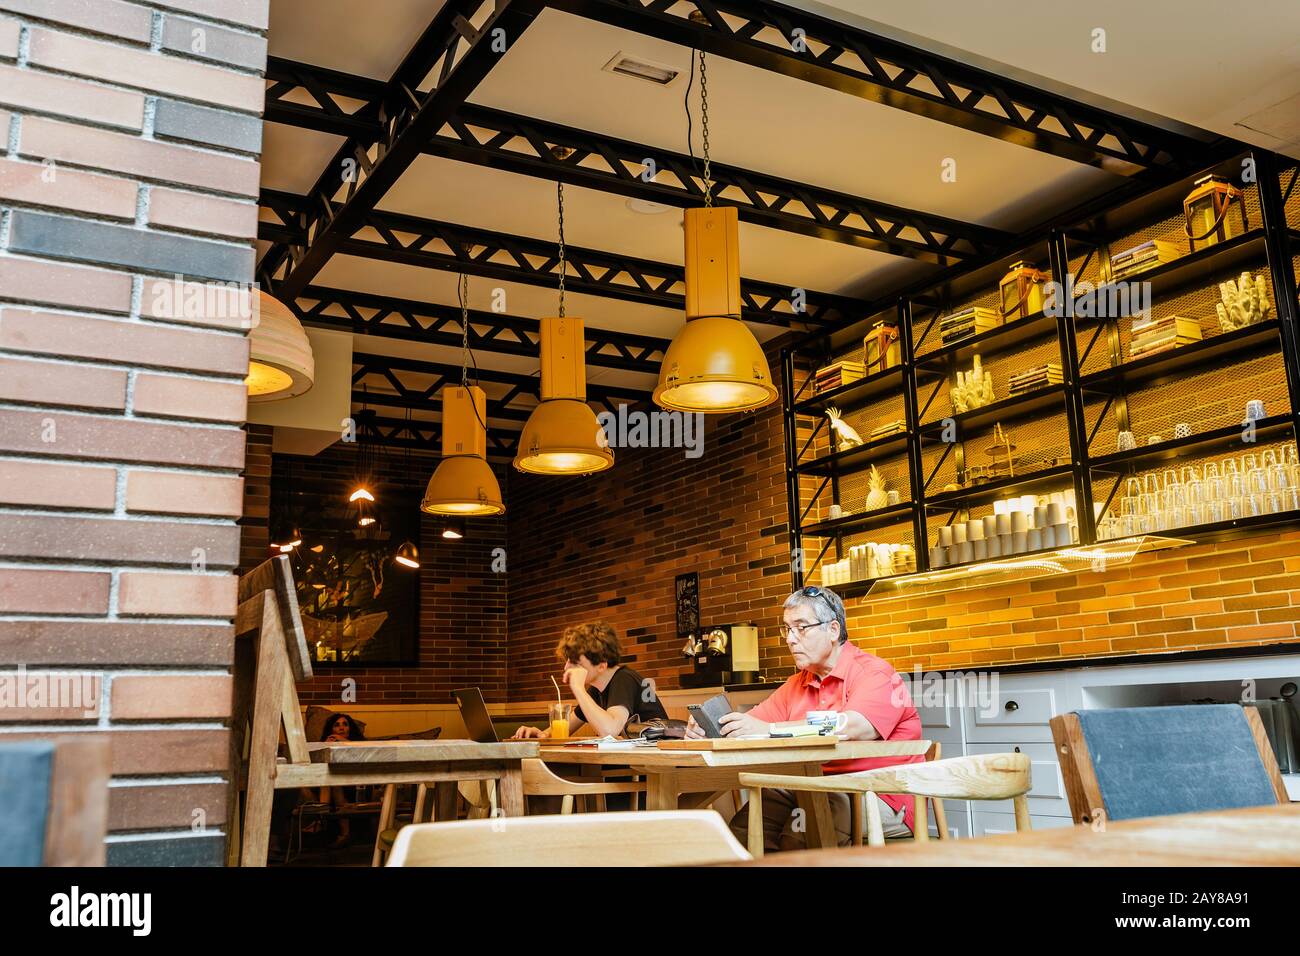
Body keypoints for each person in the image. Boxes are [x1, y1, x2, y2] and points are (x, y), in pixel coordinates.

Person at [686, 586, 923, 852]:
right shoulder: (798, 683)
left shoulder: (875, 673)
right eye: (787, 629)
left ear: (833, 630)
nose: (790, 639)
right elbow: (750, 724)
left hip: (875, 793)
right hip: (808, 785)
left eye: (801, 627)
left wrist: (770, 729)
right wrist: (711, 728)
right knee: (740, 835)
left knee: (799, 837)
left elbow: (854, 726)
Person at [514, 621, 668, 739]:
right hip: (635, 766)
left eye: (575, 662)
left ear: (601, 665)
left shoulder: (624, 679)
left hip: (659, 769)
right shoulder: (596, 691)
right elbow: (563, 729)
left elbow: (610, 731)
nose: (566, 668)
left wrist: (579, 689)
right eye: (567, 661)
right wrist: (540, 734)